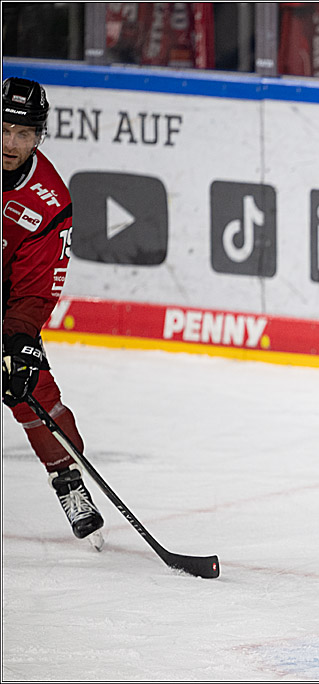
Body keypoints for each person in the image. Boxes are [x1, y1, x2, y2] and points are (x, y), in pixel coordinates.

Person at [2, 77, 104, 546]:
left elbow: (35, 290)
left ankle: (68, 480)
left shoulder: (49, 201)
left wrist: (19, 340)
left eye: (24, 133)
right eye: (4, 129)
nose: (11, 143)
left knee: (29, 385)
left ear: (39, 136)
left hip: (6, 298)